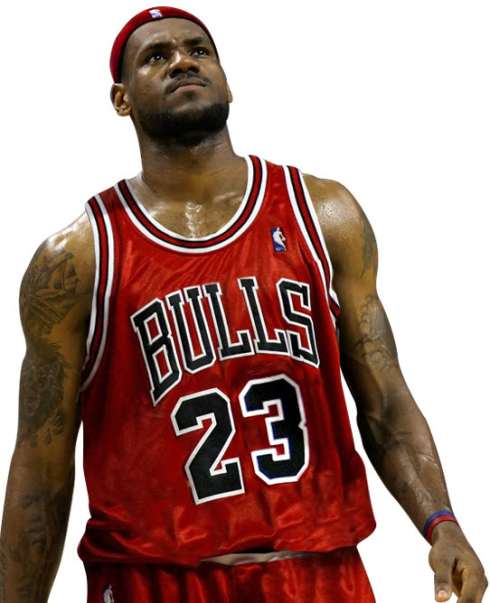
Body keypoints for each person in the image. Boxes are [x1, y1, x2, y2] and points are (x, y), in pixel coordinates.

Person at [0, 5, 487, 603]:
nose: (183, 61)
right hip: (154, 579)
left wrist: (442, 524)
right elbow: (41, 470)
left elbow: (385, 400)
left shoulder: (322, 214)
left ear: (227, 81)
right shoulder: (78, 259)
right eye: (156, 56)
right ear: (121, 100)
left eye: (199, 50)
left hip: (318, 572)